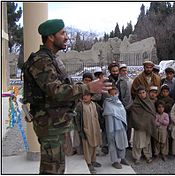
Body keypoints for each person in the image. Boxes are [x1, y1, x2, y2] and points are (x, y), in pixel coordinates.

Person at [22, 19, 111, 174]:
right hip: (49, 125)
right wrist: (88, 87)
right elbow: (56, 91)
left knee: (57, 167)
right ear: (51, 37)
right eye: (62, 33)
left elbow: (62, 87)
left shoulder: (51, 58)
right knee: (52, 170)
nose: (67, 37)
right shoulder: (41, 60)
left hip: (56, 123)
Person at [74, 90, 102, 174]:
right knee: (87, 147)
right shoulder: (80, 106)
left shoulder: (94, 104)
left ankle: (93, 161)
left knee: (94, 145)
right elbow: (77, 119)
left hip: (95, 128)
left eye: (87, 95)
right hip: (86, 129)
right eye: (83, 95)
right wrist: (80, 130)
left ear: (91, 96)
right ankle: (88, 163)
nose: (85, 97)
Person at [102, 85, 130, 169]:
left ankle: (122, 158)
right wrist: (110, 131)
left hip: (120, 127)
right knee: (113, 143)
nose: (114, 95)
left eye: (115, 93)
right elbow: (108, 118)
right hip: (112, 128)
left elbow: (122, 114)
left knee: (122, 141)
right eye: (112, 94)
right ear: (109, 94)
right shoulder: (107, 103)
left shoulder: (119, 102)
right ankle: (114, 161)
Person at [129, 86, 156, 164]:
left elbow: (152, 114)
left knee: (147, 142)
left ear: (146, 93)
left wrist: (149, 122)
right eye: (140, 93)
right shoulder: (135, 104)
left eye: (143, 92)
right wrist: (140, 123)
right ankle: (136, 157)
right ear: (137, 94)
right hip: (139, 127)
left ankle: (148, 156)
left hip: (148, 126)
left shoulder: (150, 102)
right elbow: (134, 116)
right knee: (138, 142)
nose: (142, 94)